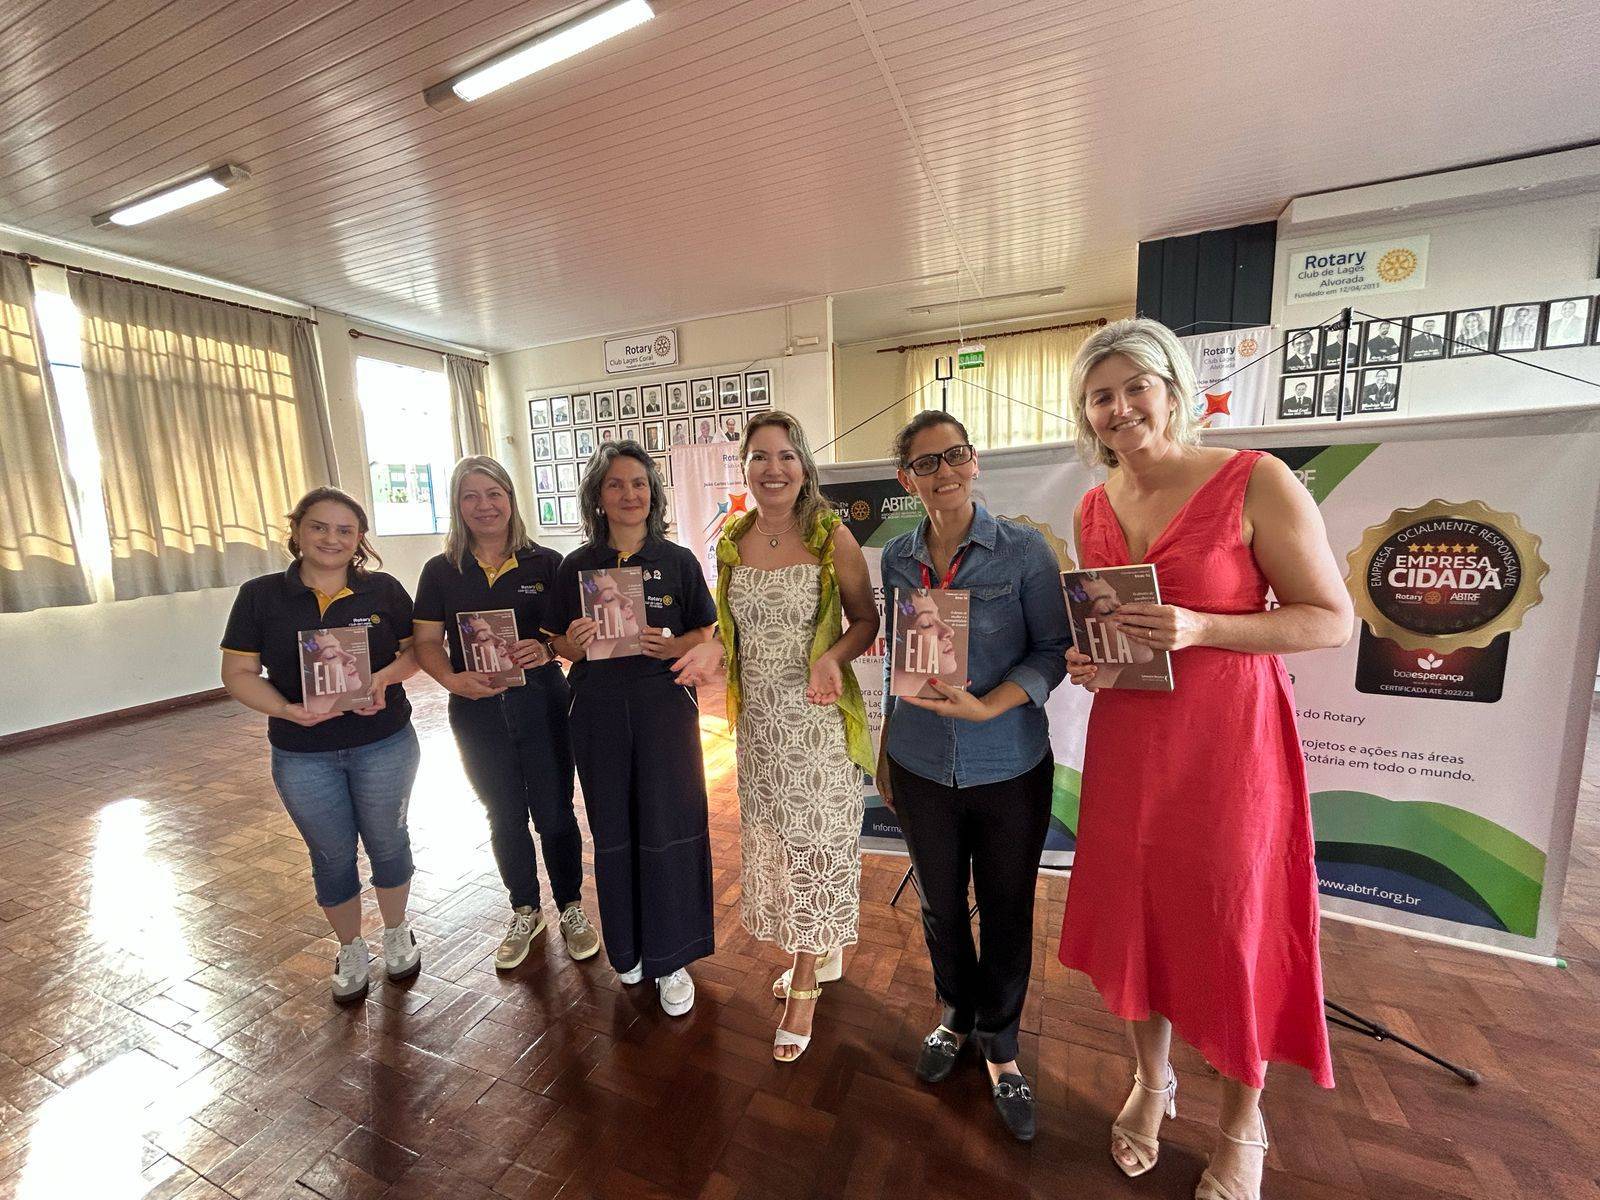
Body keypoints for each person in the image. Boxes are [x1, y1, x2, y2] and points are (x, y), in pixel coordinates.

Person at [1057, 318, 1352, 1200]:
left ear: (1174, 388)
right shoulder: (1091, 505)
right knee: (1137, 916)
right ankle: (1153, 1083)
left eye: (1134, 388)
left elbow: (1330, 618)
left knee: (1233, 927)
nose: (1119, 409)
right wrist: (1094, 662)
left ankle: (1242, 1123)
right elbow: (1121, 631)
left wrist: (1205, 627)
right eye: (1101, 396)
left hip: (1231, 747)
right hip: (1131, 743)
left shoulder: (1254, 478)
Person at [874, 411, 1071, 1142]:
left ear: (974, 461)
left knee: (1007, 905)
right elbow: (902, 654)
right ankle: (954, 1014)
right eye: (927, 463)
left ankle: (1001, 1042)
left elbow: (1052, 650)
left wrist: (989, 707)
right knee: (940, 907)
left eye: (955, 455)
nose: (944, 472)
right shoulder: (897, 557)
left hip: (1008, 762)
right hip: (922, 763)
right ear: (907, 480)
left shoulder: (1023, 552)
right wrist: (890, 744)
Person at [675, 412, 879, 1062]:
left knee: (817, 847)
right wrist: (711, 651)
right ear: (745, 469)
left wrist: (832, 658)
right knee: (783, 849)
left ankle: (804, 988)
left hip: (817, 725)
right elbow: (730, 628)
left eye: (786, 456)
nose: (773, 469)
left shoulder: (829, 536)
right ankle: (817, 955)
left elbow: (865, 620)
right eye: (760, 457)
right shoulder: (732, 539)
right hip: (760, 729)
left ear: (804, 465)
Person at [220, 487, 423, 1005]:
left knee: (389, 840)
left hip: (384, 743)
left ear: (359, 540)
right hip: (301, 753)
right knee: (331, 855)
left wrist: (381, 682)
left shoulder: (384, 591)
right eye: (319, 526)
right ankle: (351, 946)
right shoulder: (261, 596)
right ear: (297, 531)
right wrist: (286, 709)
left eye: (345, 530)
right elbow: (239, 673)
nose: (331, 538)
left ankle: (397, 931)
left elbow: (414, 654)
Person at [545, 442, 719, 1016]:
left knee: (669, 825)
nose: (629, 495)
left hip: (664, 709)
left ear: (653, 494)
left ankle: (672, 958)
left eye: (639, 484)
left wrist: (674, 645)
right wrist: (574, 640)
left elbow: (706, 634)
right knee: (613, 828)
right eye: (617, 485)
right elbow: (557, 645)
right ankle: (628, 949)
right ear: (598, 495)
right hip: (596, 711)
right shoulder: (575, 567)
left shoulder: (678, 560)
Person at [413, 457, 600, 972]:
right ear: (457, 505)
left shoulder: (547, 564)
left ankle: (571, 907)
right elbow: (427, 641)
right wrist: (451, 680)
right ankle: (525, 910)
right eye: (470, 496)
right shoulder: (440, 571)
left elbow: (568, 639)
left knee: (556, 813)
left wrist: (547, 650)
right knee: (503, 816)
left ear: (511, 499)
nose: (484, 506)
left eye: (493, 493)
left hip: (542, 705)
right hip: (475, 712)